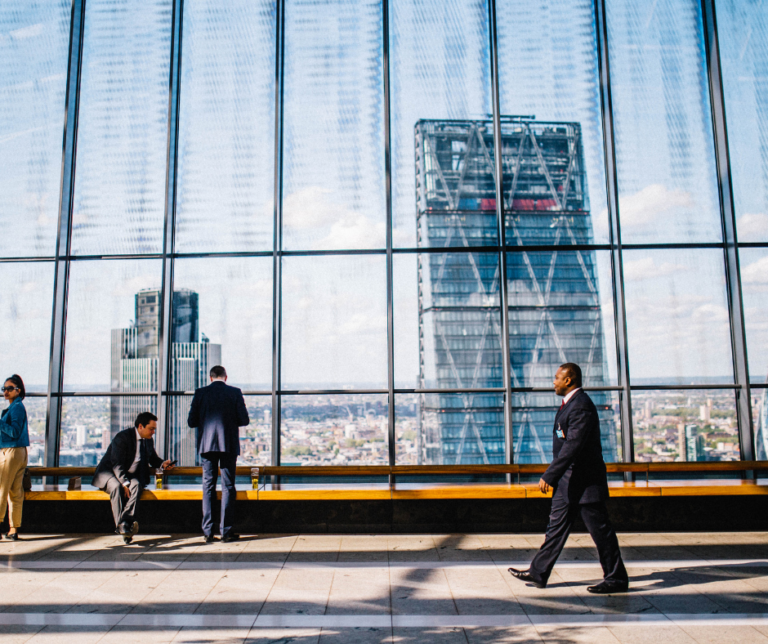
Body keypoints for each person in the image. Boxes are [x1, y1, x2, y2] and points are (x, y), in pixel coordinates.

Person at [508, 363, 629, 594]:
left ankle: (616, 578)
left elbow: (572, 446)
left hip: (584, 483)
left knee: (601, 532)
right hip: (568, 483)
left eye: (556, 378)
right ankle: (538, 572)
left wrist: (550, 475)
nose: (553, 382)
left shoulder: (581, 406)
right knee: (555, 528)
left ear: (569, 380)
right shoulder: (570, 404)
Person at [188, 365, 249, 544]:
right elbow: (244, 420)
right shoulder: (235, 392)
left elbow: (192, 422)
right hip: (228, 444)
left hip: (207, 445)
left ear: (210, 377)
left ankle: (207, 532)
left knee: (208, 486)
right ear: (226, 377)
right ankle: (226, 532)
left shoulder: (200, 393)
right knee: (228, 486)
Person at [92, 412, 174, 544]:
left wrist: (162, 464)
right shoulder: (122, 437)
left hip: (128, 475)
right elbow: (116, 464)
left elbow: (152, 458)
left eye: (154, 429)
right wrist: (125, 483)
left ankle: (124, 524)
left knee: (137, 485)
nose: (153, 432)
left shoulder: (148, 440)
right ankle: (125, 527)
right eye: (151, 428)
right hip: (109, 473)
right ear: (140, 426)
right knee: (117, 487)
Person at [0, 375, 30, 540]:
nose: (5, 391)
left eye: (9, 388)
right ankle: (13, 528)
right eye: (4, 388)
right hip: (19, 452)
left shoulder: (17, 408)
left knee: (1, 490)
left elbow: (14, 431)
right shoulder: (15, 407)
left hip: (10, 452)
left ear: (19, 390)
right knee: (15, 492)